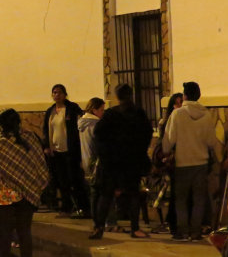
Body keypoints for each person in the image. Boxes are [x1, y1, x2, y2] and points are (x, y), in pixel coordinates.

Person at [92, 84, 152, 239]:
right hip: (131, 161)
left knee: (106, 195)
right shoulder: (138, 113)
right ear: (130, 95)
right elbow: (147, 135)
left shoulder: (111, 114)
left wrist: (104, 155)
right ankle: (135, 228)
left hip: (112, 162)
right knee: (133, 194)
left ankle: (98, 228)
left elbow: (98, 135)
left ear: (117, 96)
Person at [0, 109, 48, 257]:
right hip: (28, 194)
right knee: (24, 232)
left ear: (1, 126)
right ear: (18, 122)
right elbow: (39, 166)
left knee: (5, 233)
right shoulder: (31, 137)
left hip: (4, 197)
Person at [163, 82, 220, 241]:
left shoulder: (178, 114)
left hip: (182, 163)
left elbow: (169, 139)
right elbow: (211, 141)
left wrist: (166, 152)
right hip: (201, 163)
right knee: (199, 199)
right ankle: (196, 232)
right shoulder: (207, 115)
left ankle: (182, 231)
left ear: (185, 95)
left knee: (181, 199)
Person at [42, 84, 89, 217]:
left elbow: (81, 120)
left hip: (70, 151)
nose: (57, 95)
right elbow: (46, 130)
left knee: (75, 179)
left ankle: (83, 207)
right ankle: (66, 207)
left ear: (64, 94)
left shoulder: (71, 108)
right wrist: (47, 146)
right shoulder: (50, 111)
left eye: (59, 93)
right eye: (54, 93)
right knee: (62, 181)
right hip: (56, 152)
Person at [78, 97, 118, 231]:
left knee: (94, 194)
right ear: (94, 110)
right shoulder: (96, 125)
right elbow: (100, 146)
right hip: (99, 164)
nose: (103, 112)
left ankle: (97, 222)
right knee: (107, 193)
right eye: (101, 110)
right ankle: (110, 222)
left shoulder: (82, 124)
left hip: (87, 162)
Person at [151, 93, 183, 235]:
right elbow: (164, 144)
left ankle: (173, 221)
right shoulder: (166, 122)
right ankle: (171, 222)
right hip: (169, 163)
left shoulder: (185, 119)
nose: (179, 106)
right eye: (176, 103)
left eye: (181, 102)